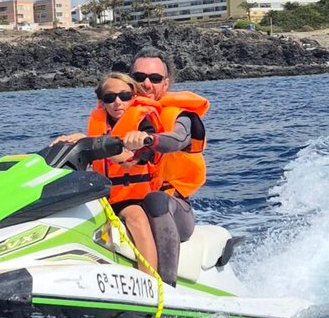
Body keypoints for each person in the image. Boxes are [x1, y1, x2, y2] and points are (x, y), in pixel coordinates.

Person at [41, 73, 162, 272]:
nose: (118, 102)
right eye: (110, 97)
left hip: (133, 198)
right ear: (102, 101)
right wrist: (68, 146)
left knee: (136, 217)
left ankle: (149, 277)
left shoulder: (144, 124)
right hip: (101, 195)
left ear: (134, 96)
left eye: (124, 96)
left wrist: (90, 143)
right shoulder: (98, 124)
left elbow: (131, 160)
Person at [125, 53, 210, 284]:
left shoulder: (180, 117)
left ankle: (166, 286)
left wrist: (149, 139)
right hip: (129, 203)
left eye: (154, 78)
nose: (146, 84)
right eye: (139, 77)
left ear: (166, 83)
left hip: (172, 207)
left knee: (155, 200)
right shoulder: (117, 112)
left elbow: (177, 139)